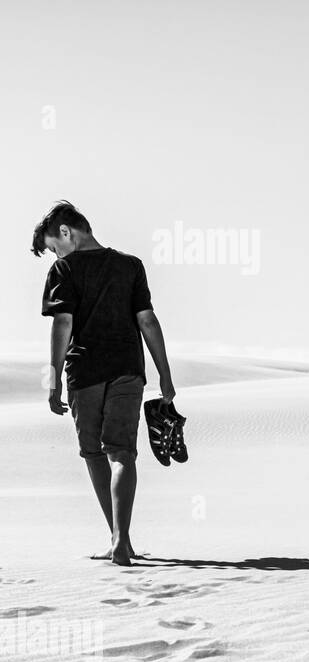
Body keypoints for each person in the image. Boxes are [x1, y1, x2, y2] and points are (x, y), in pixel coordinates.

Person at [32, 201, 176, 566]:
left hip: (85, 374)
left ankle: (118, 539)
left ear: (66, 232)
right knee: (122, 454)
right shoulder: (130, 265)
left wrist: (52, 382)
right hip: (128, 370)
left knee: (95, 454)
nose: (55, 253)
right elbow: (148, 321)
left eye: (53, 246)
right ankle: (121, 541)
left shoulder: (64, 269)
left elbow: (62, 325)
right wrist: (165, 374)